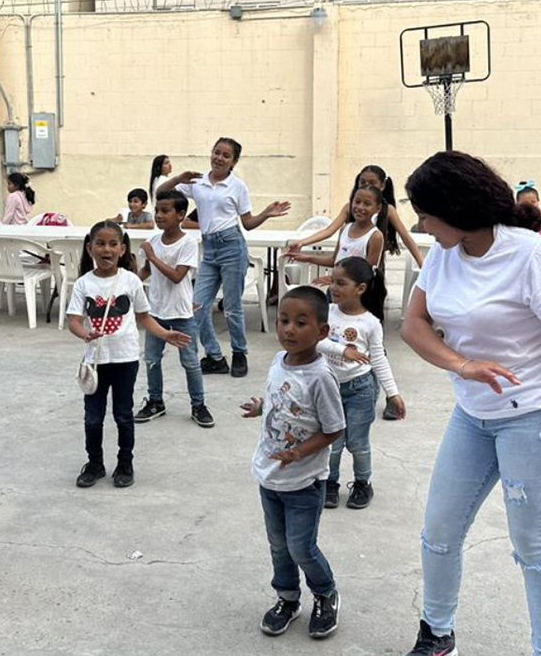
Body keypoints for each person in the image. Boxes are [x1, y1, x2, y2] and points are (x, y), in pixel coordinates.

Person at [400, 151, 541, 656]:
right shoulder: (446, 255)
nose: (419, 224)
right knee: (440, 531)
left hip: (534, 420)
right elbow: (413, 325)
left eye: (425, 213)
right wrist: (462, 365)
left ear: (456, 208)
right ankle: (437, 631)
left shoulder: (532, 257)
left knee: (532, 546)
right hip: (472, 416)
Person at [241, 286, 344, 640]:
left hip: (304, 482)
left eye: (301, 323)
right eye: (284, 320)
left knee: (302, 547)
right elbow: (279, 401)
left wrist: (300, 452)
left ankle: (326, 593)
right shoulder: (277, 362)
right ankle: (287, 598)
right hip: (269, 477)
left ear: (322, 332)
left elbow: (334, 429)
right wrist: (261, 408)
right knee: (279, 544)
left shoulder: (321, 377)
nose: (289, 329)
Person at [67, 220, 191, 489]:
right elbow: (74, 320)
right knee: (93, 418)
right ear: (90, 248)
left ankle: (125, 463)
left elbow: (144, 317)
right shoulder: (83, 284)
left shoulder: (131, 280)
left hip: (125, 360)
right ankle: (95, 463)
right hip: (95, 363)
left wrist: (165, 334)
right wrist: (84, 334)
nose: (106, 249)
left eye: (113, 244)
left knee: (123, 415)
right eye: (100, 243)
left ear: (123, 249)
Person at [157, 137, 291, 378]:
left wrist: (267, 213)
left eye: (226, 155)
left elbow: (247, 223)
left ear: (234, 161)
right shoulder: (197, 182)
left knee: (231, 307)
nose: (219, 158)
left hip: (231, 246)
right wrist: (179, 178)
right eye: (216, 152)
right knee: (196, 305)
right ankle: (215, 356)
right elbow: (161, 193)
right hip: (209, 250)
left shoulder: (237, 186)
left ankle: (240, 353)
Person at [317, 257, 405, 510]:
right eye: (332, 281)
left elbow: (378, 359)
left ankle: (362, 483)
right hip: (329, 388)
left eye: (341, 283)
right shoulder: (326, 312)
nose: (333, 287)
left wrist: (393, 393)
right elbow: (314, 340)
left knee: (357, 443)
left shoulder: (370, 323)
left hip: (361, 389)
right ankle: (329, 483)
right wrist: (342, 351)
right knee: (332, 444)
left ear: (361, 288)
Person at [134, 189, 213, 428]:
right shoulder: (153, 242)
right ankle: (156, 401)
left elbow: (177, 276)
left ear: (180, 215)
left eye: (165, 211)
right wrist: (129, 283)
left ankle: (198, 405)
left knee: (190, 362)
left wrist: (152, 256)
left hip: (181, 314)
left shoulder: (188, 243)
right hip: (155, 312)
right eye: (157, 210)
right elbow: (146, 271)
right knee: (152, 360)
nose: (158, 215)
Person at [288, 165, 425, 268]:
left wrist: (422, 265)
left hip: (371, 266)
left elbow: (407, 238)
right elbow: (329, 231)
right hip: (345, 269)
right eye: (363, 182)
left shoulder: (387, 211)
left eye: (372, 183)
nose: (367, 186)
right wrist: (303, 242)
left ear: (382, 185)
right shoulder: (349, 210)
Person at [286, 183, 387, 286]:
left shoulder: (375, 236)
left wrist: (338, 280)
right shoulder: (345, 229)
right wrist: (307, 258)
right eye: (357, 202)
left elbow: (368, 273)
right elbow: (334, 260)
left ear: (378, 208)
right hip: (336, 289)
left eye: (367, 204)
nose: (360, 207)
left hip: (356, 297)